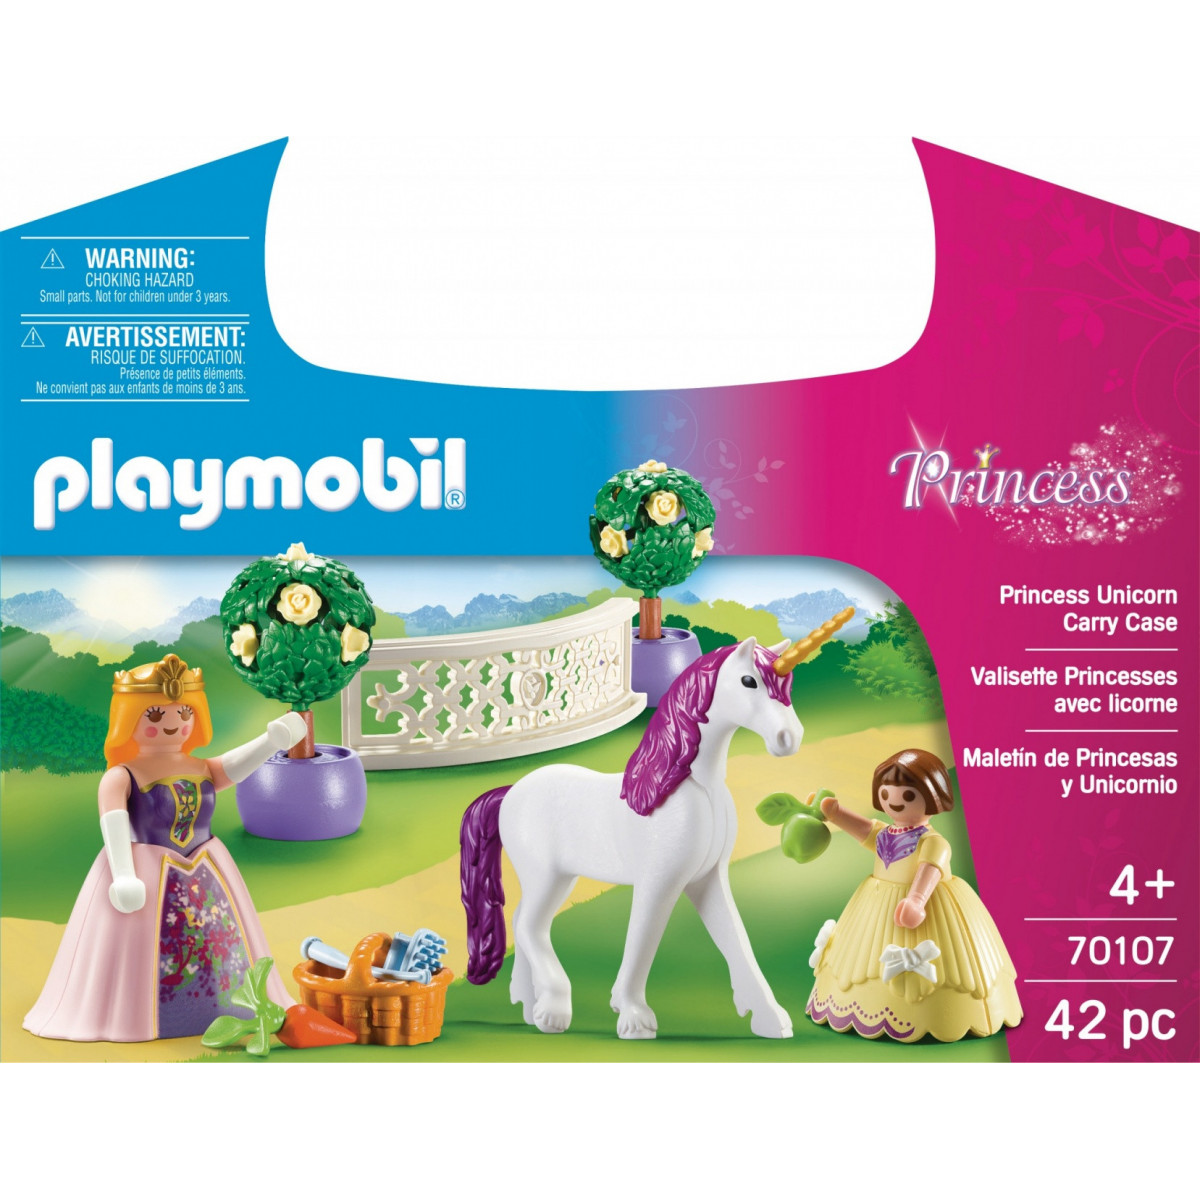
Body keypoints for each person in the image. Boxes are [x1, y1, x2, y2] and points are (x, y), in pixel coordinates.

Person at [24, 653, 305, 1041]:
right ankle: (138, 1015)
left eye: (183, 713)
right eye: (155, 716)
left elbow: (233, 767)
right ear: (129, 719)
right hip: (146, 873)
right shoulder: (121, 776)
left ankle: (226, 1007)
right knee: (138, 955)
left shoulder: (201, 767)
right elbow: (113, 824)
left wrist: (270, 741)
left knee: (223, 941)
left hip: (206, 869)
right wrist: (123, 875)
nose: (172, 723)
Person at [807, 747, 1022, 1042]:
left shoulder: (933, 842)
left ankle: (946, 1016)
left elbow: (930, 868)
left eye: (908, 795)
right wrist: (835, 813)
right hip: (877, 903)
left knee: (954, 967)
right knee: (861, 959)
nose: (894, 801)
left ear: (933, 796)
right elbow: (864, 829)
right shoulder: (886, 834)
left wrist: (918, 900)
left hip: (927, 906)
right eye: (886, 793)